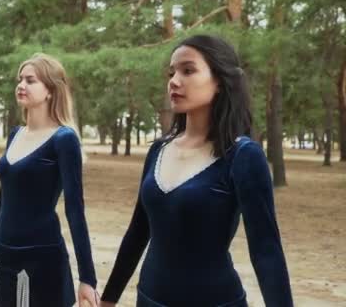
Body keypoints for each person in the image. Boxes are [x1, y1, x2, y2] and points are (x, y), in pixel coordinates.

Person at [100, 35, 293, 307]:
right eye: (172, 72)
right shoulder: (159, 150)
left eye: (188, 70)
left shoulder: (243, 156)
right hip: (149, 299)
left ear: (220, 82)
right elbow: (138, 232)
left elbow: (266, 251)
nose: (174, 81)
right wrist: (109, 300)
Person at [0, 53, 99, 307]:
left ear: (51, 90)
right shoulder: (15, 135)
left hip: (41, 263)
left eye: (30, 80)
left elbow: (75, 209)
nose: (21, 85)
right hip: (3, 257)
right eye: (20, 79)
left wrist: (88, 278)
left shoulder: (63, 139)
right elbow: (3, 199)